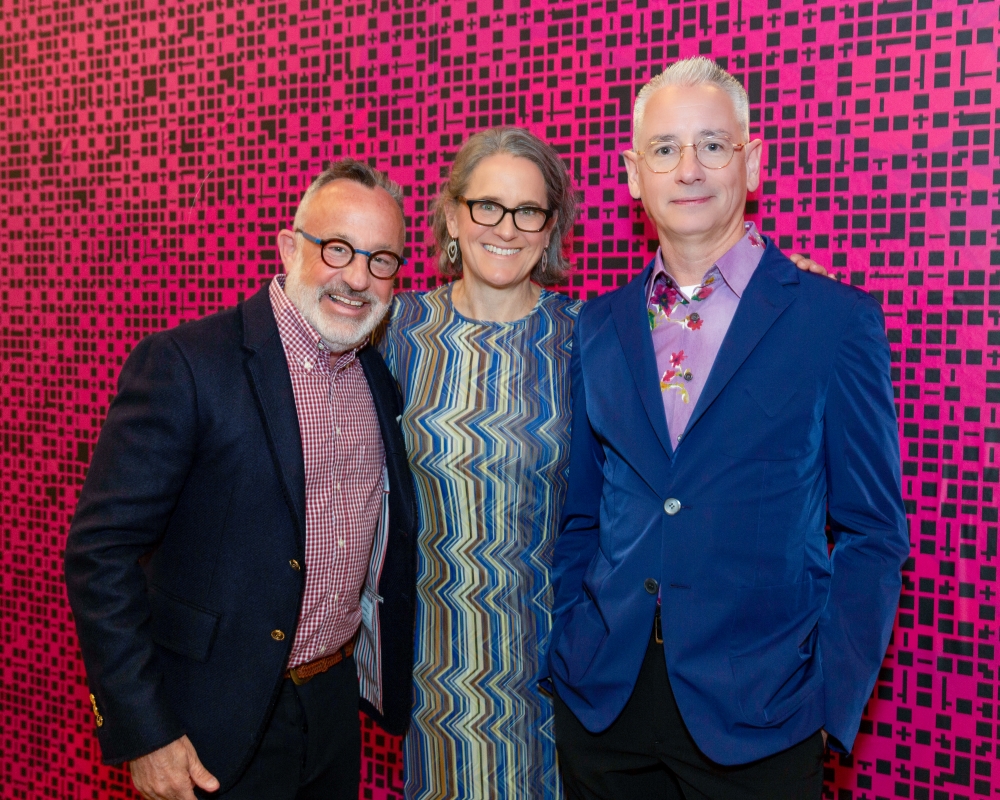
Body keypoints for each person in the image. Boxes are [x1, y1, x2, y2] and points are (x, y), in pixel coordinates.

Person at [377, 126, 831, 800]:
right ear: (451, 214)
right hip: (437, 658)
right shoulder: (395, 332)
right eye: (487, 206)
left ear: (550, 229)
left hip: (569, 661)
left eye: (528, 211)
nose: (506, 227)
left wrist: (788, 294)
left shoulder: (592, 334)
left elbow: (710, 359)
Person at [546, 57, 909, 800]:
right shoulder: (599, 325)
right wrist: (568, 638)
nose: (689, 169)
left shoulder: (833, 320)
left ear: (753, 161)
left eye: (712, 144)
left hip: (762, 715)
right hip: (604, 703)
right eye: (665, 148)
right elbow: (583, 512)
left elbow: (872, 532)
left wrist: (829, 701)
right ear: (633, 174)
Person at [64, 159, 417, 800]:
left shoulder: (375, 376)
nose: (357, 277)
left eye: (381, 259)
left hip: (334, 709)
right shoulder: (185, 364)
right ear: (289, 247)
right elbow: (99, 554)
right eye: (337, 248)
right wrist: (144, 731)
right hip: (209, 723)